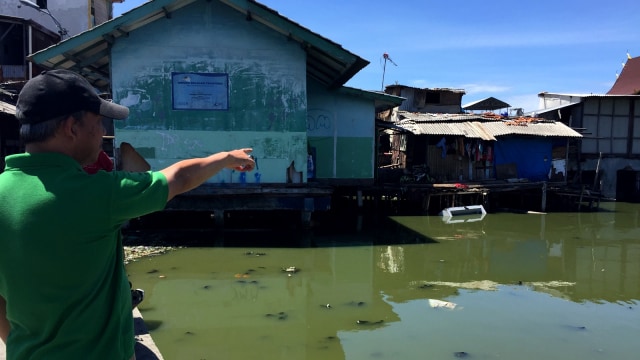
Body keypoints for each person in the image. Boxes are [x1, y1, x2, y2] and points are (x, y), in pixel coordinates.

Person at [0, 69, 255, 359]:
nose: (102, 133)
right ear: (72, 128)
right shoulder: (98, 194)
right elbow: (179, 178)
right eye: (99, 122)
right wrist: (224, 158)